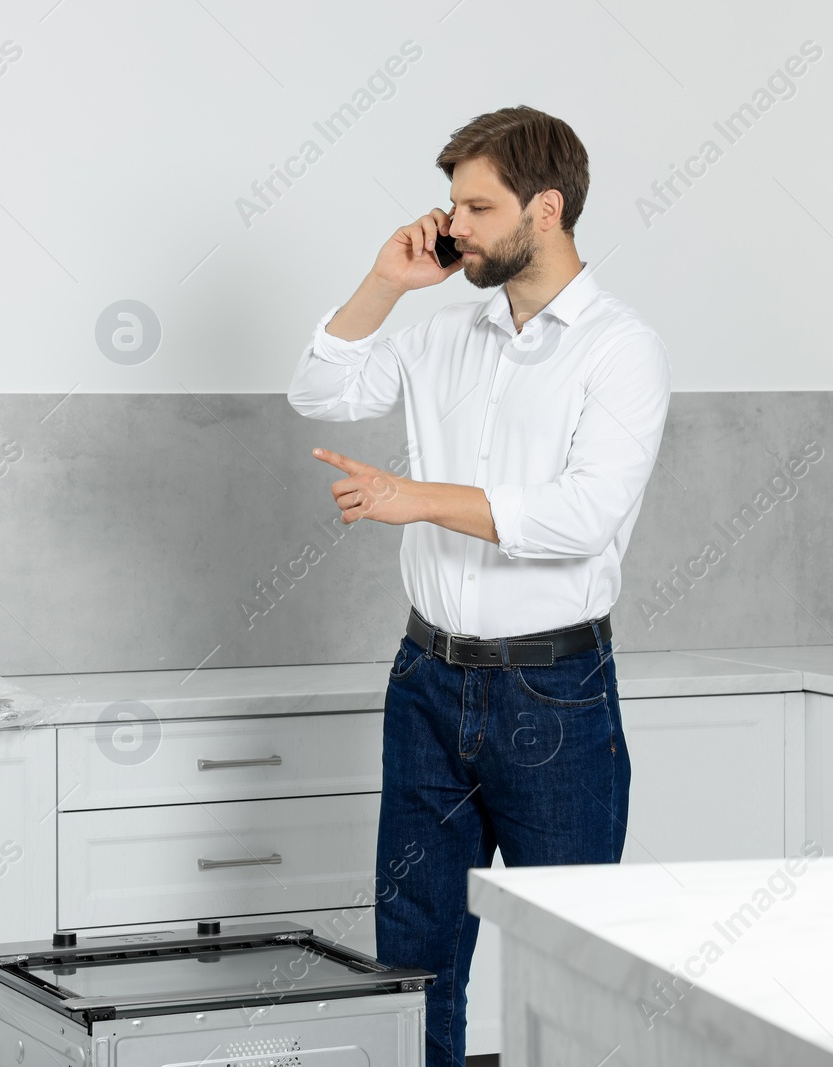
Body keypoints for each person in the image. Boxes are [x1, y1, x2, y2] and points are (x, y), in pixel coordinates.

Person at [286, 105, 672, 1064]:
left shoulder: (621, 348)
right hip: (425, 682)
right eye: (451, 204)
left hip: (554, 696)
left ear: (547, 210)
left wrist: (415, 498)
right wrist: (386, 281)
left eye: (477, 206)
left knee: (574, 965)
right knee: (412, 965)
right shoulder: (440, 337)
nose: (453, 225)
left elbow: (582, 517)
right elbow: (319, 390)